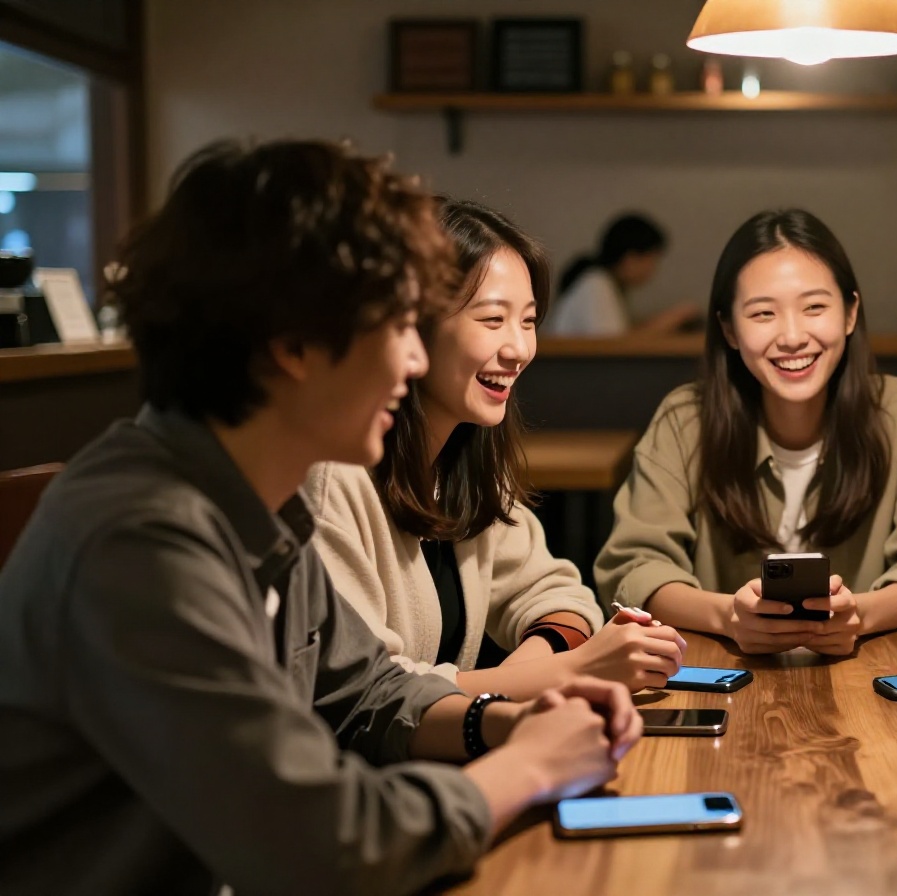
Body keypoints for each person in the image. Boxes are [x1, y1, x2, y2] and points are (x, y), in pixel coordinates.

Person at [0, 140, 641, 895]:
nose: (412, 361)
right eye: (399, 326)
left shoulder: (264, 496)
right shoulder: (140, 538)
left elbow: (366, 691)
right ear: (294, 343)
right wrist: (529, 767)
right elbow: (324, 842)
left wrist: (503, 721)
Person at [306, 198, 686, 697]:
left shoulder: (466, 458)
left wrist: (529, 676)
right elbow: (363, 697)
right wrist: (557, 676)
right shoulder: (336, 475)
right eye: (492, 319)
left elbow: (558, 595)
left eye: (528, 321)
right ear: (413, 327)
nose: (519, 349)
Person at [596, 208, 897, 655]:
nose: (793, 336)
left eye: (815, 307)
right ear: (729, 329)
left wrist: (859, 617)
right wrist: (727, 616)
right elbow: (635, 567)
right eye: (762, 314)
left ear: (851, 313)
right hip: (727, 681)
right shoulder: (685, 420)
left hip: (868, 678)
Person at [543, 212, 697, 336]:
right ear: (630, 258)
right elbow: (615, 346)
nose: (653, 269)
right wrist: (675, 317)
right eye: (651, 260)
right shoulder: (596, 285)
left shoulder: (604, 284)